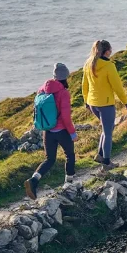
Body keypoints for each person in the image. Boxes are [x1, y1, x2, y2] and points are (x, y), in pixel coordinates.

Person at [24, 63, 76, 200]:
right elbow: (65, 116)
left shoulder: (42, 89)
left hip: (47, 130)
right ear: (65, 77)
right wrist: (72, 133)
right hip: (62, 131)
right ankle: (68, 185)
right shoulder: (63, 93)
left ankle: (33, 180)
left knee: (49, 159)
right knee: (70, 155)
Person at [82, 40, 127, 169]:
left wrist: (86, 101)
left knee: (106, 128)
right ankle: (107, 162)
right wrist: (125, 101)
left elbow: (84, 85)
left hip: (93, 103)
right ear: (107, 51)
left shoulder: (88, 64)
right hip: (106, 104)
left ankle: (100, 155)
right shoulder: (109, 66)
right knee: (108, 132)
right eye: (111, 50)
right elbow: (117, 86)